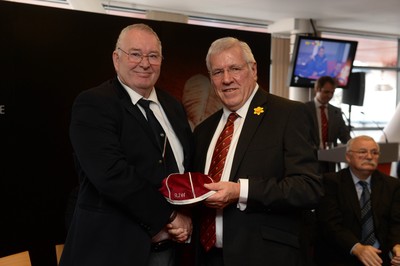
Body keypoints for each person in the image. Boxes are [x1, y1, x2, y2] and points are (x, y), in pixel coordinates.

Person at [59, 23, 194, 266]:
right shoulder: (94, 104)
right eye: (135, 54)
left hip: (171, 251)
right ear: (116, 58)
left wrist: (188, 215)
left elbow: (185, 168)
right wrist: (170, 216)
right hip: (111, 252)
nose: (145, 63)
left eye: (153, 56)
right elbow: (111, 174)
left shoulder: (173, 107)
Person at [192, 37, 323, 266]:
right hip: (207, 257)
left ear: (253, 70)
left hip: (266, 256)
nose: (227, 79)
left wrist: (241, 190)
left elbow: (308, 187)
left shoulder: (288, 114)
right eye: (217, 72)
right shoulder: (204, 130)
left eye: (235, 68)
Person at [315, 135, 400, 266]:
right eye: (362, 152)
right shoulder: (331, 182)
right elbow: (330, 224)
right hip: (342, 256)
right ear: (348, 157)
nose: (369, 156)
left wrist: (397, 245)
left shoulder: (392, 185)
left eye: (374, 152)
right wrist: (357, 248)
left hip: (380, 258)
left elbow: (396, 223)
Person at [305, 76, 351, 173]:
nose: (330, 95)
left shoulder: (336, 112)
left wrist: (355, 144)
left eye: (332, 92)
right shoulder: (304, 109)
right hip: (309, 161)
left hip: (330, 163)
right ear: (317, 89)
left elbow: (344, 136)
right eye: (326, 92)